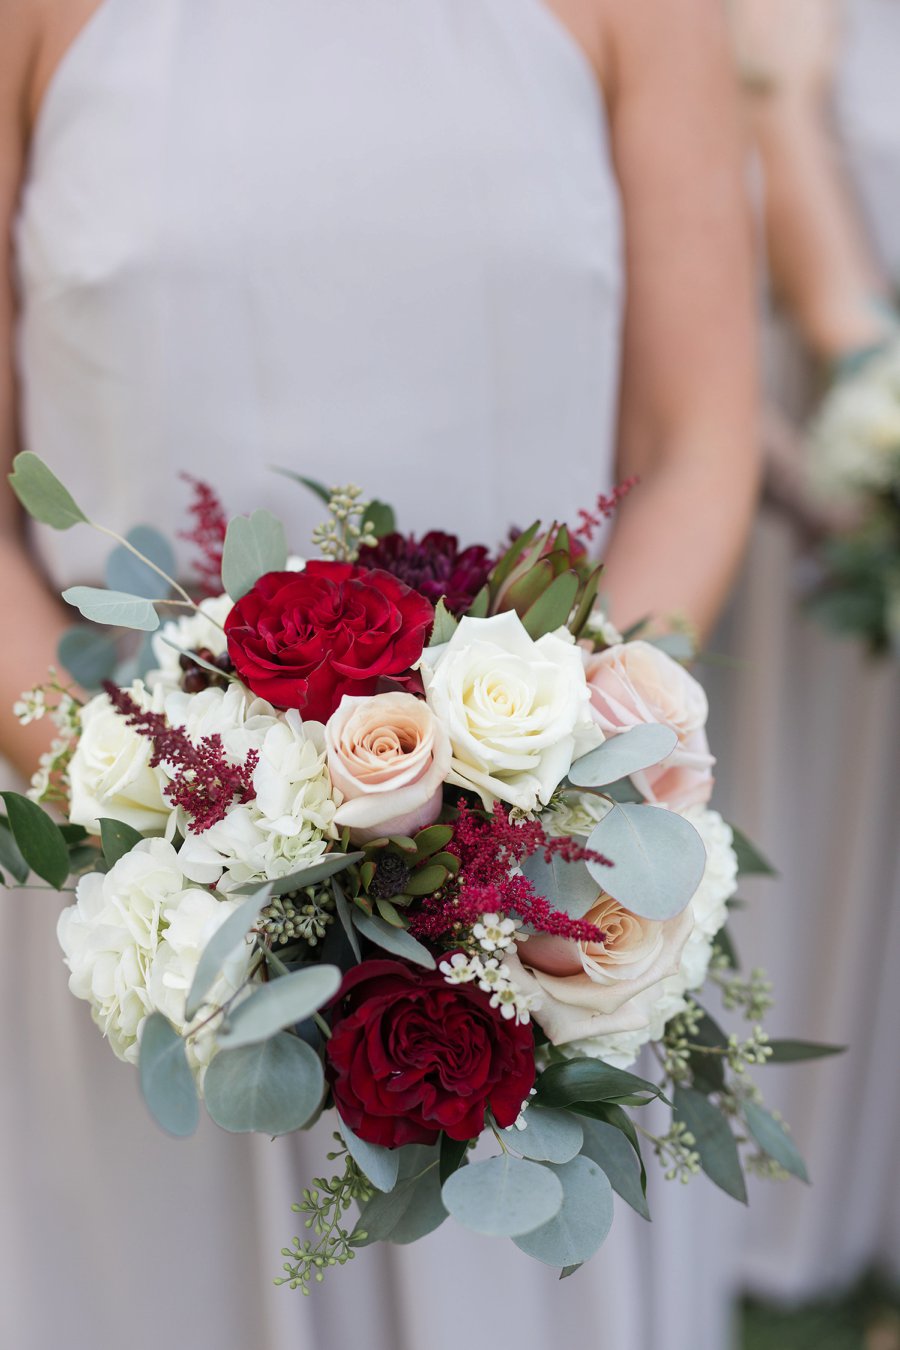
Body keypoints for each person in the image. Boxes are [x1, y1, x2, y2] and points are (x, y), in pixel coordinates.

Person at [0, 2, 757, 1347]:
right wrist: (138, 822)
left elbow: (698, 445)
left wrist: (548, 793)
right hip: (134, 895)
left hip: (523, 912)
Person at [711, 0, 900, 1311]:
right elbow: (764, 100)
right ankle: (784, 1187)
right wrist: (873, 391)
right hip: (819, 449)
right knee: (806, 814)